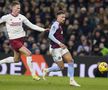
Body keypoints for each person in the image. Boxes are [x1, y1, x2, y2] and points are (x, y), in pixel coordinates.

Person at [0, 1, 46, 80]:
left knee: (16, 60)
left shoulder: (22, 17)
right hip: (14, 41)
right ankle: (33, 74)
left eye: (19, 8)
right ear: (12, 8)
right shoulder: (6, 17)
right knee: (29, 53)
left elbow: (32, 25)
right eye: (17, 8)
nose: (19, 9)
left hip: (21, 40)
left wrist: (43, 30)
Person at [42, 10, 80, 87]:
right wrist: (60, 43)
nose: (63, 19)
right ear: (57, 17)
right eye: (62, 17)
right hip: (55, 49)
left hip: (60, 47)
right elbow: (50, 35)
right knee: (61, 67)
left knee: (70, 60)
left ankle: (72, 81)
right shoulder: (55, 25)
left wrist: (61, 44)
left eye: (64, 17)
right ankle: (47, 70)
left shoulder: (59, 25)